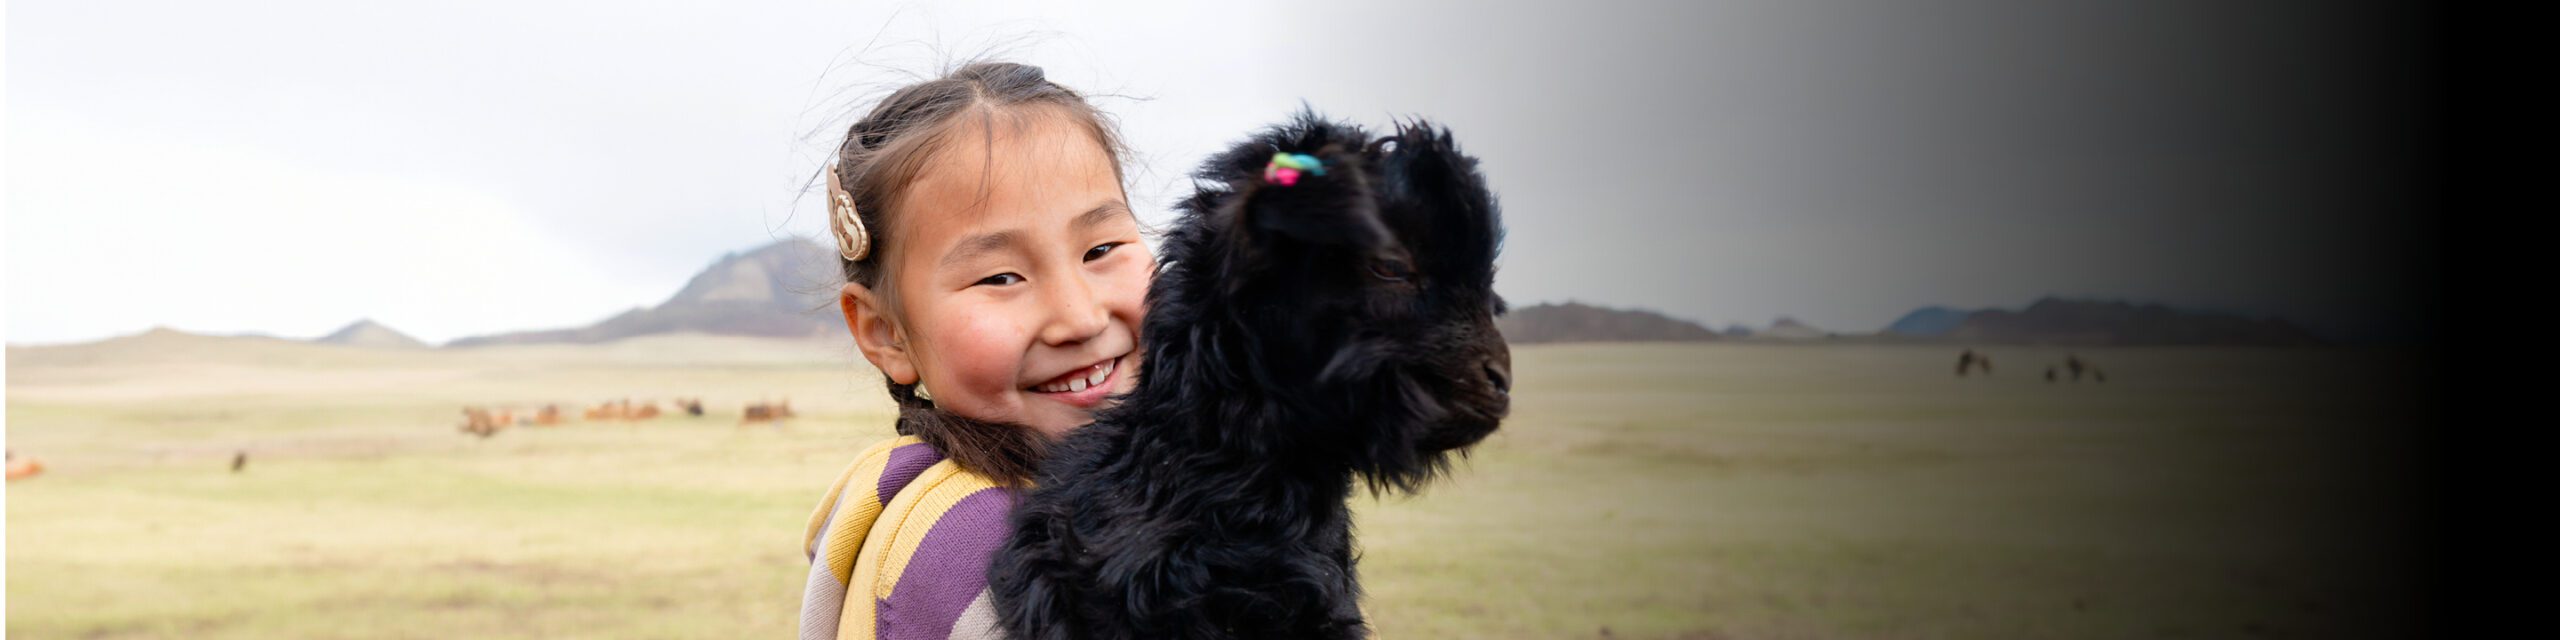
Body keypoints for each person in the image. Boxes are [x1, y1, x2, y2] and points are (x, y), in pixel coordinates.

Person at [797, 60, 1151, 640]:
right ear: (888, 333)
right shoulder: (1000, 553)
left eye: (1101, 248)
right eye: (1001, 278)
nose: (1079, 318)